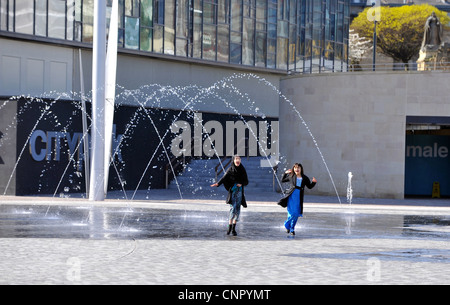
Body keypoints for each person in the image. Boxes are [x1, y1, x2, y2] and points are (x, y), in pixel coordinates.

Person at [211, 155, 248, 236]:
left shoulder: (242, 169)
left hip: (239, 193)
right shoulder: (230, 169)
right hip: (233, 192)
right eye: (236, 159)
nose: (237, 160)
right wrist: (218, 184)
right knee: (232, 209)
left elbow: (246, 181)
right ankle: (229, 227)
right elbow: (224, 178)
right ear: (233, 160)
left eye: (239, 159)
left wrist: (241, 184)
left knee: (237, 210)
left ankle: (234, 229)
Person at [277, 163, 316, 235]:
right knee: (291, 213)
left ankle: (289, 226)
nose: (296, 169)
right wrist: (285, 173)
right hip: (291, 196)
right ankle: (290, 228)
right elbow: (282, 180)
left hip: (299, 197)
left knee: (296, 213)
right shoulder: (291, 176)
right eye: (295, 168)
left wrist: (314, 183)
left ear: (301, 169)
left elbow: (309, 186)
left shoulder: (304, 178)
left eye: (298, 168)